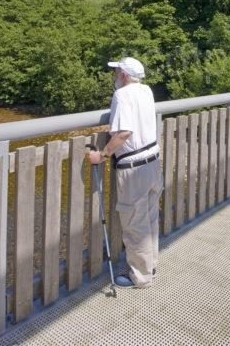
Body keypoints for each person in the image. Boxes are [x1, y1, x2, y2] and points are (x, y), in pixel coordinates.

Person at [87, 56, 161, 288]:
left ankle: (141, 276)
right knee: (149, 218)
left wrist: (102, 155)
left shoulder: (122, 95)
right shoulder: (146, 90)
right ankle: (150, 266)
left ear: (125, 75)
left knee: (134, 222)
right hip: (152, 161)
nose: (115, 75)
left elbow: (123, 133)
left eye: (117, 71)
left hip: (134, 167)